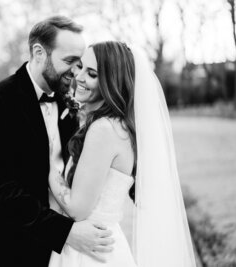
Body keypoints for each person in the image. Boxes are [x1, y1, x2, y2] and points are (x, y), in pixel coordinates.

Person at [0, 16, 114, 267]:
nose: (76, 72)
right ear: (39, 53)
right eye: (69, 61)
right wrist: (65, 232)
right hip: (13, 248)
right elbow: (1, 190)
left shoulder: (71, 101)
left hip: (66, 253)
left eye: (80, 64)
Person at [48, 41, 197, 266]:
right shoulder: (121, 126)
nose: (78, 77)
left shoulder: (104, 129)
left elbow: (77, 208)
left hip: (89, 250)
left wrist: (48, 166)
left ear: (111, 81)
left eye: (92, 73)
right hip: (105, 244)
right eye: (79, 67)